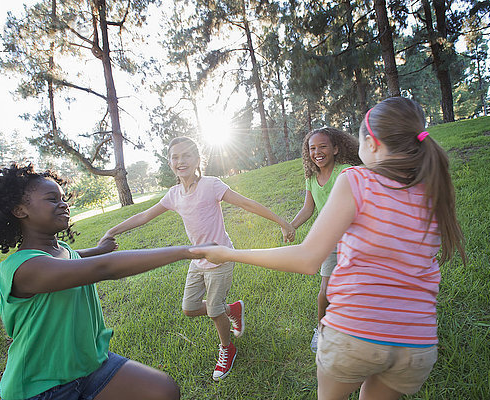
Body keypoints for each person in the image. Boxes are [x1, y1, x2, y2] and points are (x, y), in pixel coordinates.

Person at [191, 97, 466, 399]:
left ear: (371, 144)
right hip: (418, 345)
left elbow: (308, 259)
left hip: (355, 334)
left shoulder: (355, 178)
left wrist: (227, 253)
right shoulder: (434, 188)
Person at [0, 163, 199, 400]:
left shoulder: (61, 249)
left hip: (90, 365)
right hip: (42, 387)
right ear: (20, 210)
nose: (63, 204)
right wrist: (187, 251)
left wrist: (99, 249)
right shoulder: (22, 268)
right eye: (52, 199)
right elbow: (103, 269)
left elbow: (74, 258)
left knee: (163, 390)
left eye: (63, 198)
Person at [98, 136, 295, 381]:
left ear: (197, 159)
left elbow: (247, 204)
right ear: (170, 162)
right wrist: (111, 231)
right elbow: (144, 216)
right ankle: (232, 310)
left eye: (186, 155)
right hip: (197, 260)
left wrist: (283, 223)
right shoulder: (173, 195)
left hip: (221, 257)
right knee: (190, 309)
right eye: (175, 157)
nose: (181, 161)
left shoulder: (211, 185)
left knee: (213, 312)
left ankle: (227, 347)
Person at [290, 127, 361, 352]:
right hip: (329, 240)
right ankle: (321, 330)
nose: (317, 152)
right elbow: (308, 208)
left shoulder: (346, 172)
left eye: (323, 146)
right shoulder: (312, 178)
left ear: (336, 148)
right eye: (312, 148)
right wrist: (291, 226)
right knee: (326, 289)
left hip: (354, 239)